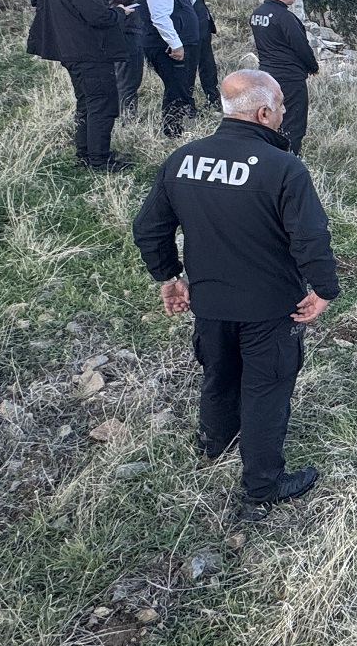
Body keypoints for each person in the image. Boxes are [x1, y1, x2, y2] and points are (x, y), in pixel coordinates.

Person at [133, 70, 338, 521]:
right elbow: (310, 238)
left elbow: (149, 227)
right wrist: (324, 289)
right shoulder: (285, 168)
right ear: (264, 112)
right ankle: (262, 487)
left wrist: (169, 275)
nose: (284, 112)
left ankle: (214, 440)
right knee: (265, 390)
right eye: (281, 105)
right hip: (270, 307)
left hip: (209, 302)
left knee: (219, 371)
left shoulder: (183, 160)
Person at [25, 0, 132, 172]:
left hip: (70, 51)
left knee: (87, 104)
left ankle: (86, 153)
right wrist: (121, 13)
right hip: (90, 53)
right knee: (102, 106)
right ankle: (99, 161)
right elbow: (99, 17)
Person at [251, 0, 320, 156]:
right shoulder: (285, 17)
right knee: (293, 121)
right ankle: (289, 159)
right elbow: (301, 46)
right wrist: (313, 66)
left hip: (266, 75)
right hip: (289, 77)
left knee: (270, 119)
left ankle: (269, 155)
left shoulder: (257, 13)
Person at [138, 0, 198, 137]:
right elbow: (160, 17)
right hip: (165, 47)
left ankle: (175, 128)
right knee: (175, 88)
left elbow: (184, 6)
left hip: (177, 43)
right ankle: (172, 132)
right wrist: (176, 44)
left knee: (180, 86)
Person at [172, 0, 221, 111]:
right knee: (190, 66)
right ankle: (188, 104)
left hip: (202, 26)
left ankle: (212, 97)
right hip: (191, 28)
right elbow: (183, 2)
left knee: (207, 64)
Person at [99, 0, 146, 117]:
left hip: (133, 29)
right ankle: (126, 117)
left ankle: (129, 114)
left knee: (134, 77)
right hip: (121, 31)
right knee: (126, 79)